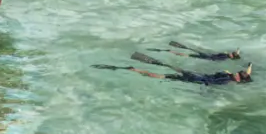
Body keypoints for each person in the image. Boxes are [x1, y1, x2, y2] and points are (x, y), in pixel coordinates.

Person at [94, 60, 252, 86]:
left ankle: (133, 68)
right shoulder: (227, 81)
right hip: (195, 79)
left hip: (194, 74)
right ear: (238, 80)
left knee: (173, 69)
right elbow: (210, 83)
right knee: (161, 76)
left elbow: (216, 75)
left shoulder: (226, 74)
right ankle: (135, 70)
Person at [150, 40, 240, 61]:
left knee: (189, 52)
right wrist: (237, 51)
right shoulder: (226, 57)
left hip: (207, 56)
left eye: (233, 53)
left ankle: (170, 50)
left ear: (232, 56)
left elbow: (215, 57)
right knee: (188, 54)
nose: (231, 52)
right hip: (207, 57)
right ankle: (170, 51)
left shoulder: (225, 56)